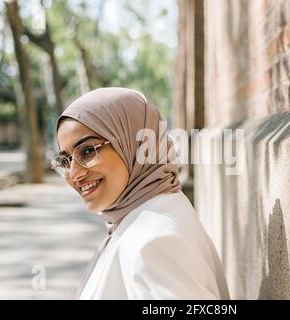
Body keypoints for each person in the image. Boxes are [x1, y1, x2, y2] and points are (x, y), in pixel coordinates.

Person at [52, 87, 230, 299]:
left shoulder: (154, 242)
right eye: (65, 160)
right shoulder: (154, 214)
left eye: (88, 150)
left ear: (134, 145)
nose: (74, 174)